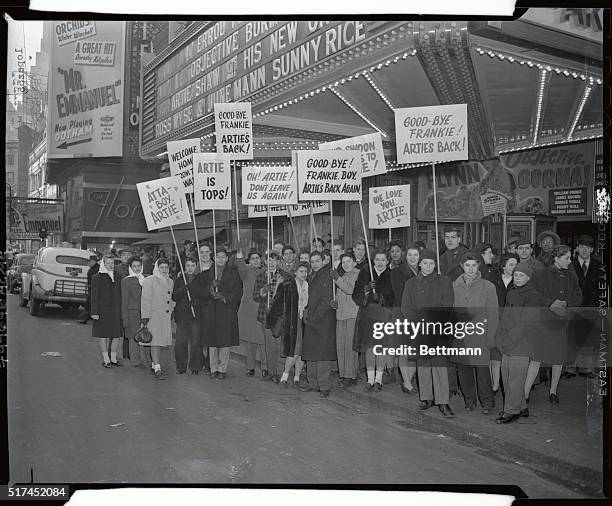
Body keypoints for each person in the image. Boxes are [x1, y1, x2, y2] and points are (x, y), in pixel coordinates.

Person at [401, 249, 455, 417]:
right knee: (423, 365)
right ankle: (426, 398)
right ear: (419, 264)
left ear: (435, 265)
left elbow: (448, 305)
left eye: (431, 263)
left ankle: (443, 401)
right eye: (425, 263)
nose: (428, 266)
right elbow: (406, 307)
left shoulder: (444, 282)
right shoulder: (411, 284)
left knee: (439, 365)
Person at [526, 245, 582, 403]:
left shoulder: (572, 276)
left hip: (563, 321)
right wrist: (550, 303)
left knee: (558, 357)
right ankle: (525, 393)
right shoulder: (540, 274)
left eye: (570, 258)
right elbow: (533, 295)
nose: (570, 261)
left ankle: (553, 391)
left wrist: (565, 304)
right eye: (567, 258)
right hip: (544, 321)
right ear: (556, 258)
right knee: (537, 357)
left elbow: (578, 296)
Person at [495, 263, 544, 424]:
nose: (518, 278)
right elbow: (505, 316)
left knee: (515, 378)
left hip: (522, 343)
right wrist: (500, 337)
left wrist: (510, 339)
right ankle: (521, 407)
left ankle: (511, 411)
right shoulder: (511, 293)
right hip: (508, 341)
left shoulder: (533, 296)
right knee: (507, 375)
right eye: (516, 275)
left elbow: (526, 322)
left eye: (521, 275)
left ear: (528, 277)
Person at [452, 251, 498, 415]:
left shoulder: (488, 286)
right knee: (464, 369)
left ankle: (487, 402)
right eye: (467, 265)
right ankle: (469, 400)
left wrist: (491, 335)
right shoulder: (454, 286)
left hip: (480, 334)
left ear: (479, 266)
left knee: (482, 370)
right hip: (461, 335)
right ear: (462, 266)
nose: (470, 269)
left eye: (473, 265)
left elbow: (493, 314)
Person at [353, 249, 394, 392]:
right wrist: (366, 291)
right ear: (373, 261)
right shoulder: (366, 273)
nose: (380, 263)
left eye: (383, 260)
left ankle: (379, 379)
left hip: (384, 314)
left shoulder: (391, 275)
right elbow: (356, 294)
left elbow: (394, 295)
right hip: (368, 314)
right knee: (370, 347)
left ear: (387, 261)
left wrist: (382, 296)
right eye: (377, 260)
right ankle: (370, 379)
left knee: (380, 347)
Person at [267, 262, 310, 388]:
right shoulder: (287, 286)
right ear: (295, 272)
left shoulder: (308, 286)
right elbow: (276, 303)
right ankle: (284, 377)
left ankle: (296, 378)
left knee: (302, 351)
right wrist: (272, 320)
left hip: (304, 322)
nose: (304, 274)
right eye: (301, 271)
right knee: (294, 350)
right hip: (292, 322)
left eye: (305, 272)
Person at [300, 251, 337, 397]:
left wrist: (315, 316)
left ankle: (324, 385)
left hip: (323, 320)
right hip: (312, 319)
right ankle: (312, 382)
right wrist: (307, 311)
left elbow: (327, 300)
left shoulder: (327, 275)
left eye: (317, 261)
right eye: (312, 261)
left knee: (322, 354)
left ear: (324, 261)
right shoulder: (312, 276)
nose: (314, 264)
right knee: (311, 352)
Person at [203, 250, 242, 379]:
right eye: (217, 257)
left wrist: (224, 297)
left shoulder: (233, 273)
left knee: (224, 342)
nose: (220, 259)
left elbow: (238, 292)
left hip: (226, 311)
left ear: (226, 258)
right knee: (212, 342)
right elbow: (200, 292)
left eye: (223, 257)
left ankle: (222, 369)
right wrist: (210, 287)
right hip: (211, 311)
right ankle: (213, 368)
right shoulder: (206, 273)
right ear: (213, 258)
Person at [253, 252, 292, 383]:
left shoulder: (285, 276)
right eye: (269, 260)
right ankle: (272, 372)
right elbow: (256, 297)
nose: (271, 263)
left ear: (278, 261)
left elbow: (287, 296)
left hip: (280, 316)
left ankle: (281, 372)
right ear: (265, 262)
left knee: (279, 345)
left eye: (274, 260)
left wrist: (277, 289)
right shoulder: (261, 276)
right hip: (266, 315)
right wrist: (263, 291)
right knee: (269, 345)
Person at [568, 234, 601, 378]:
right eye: (582, 247)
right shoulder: (570, 263)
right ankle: (569, 368)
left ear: (592, 250)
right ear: (577, 248)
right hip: (574, 305)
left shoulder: (598, 265)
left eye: (587, 248)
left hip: (591, 305)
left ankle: (585, 368)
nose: (584, 250)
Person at [390, 244, 420, 393]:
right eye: (410, 255)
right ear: (405, 256)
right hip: (402, 312)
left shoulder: (425, 271)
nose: (413, 258)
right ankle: (407, 383)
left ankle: (408, 379)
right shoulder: (397, 272)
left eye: (415, 255)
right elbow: (400, 293)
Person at [141, 258, 175, 379]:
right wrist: (145, 317)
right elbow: (145, 299)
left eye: (166, 267)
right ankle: (157, 367)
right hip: (153, 316)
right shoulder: (150, 280)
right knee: (154, 342)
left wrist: (171, 308)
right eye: (162, 267)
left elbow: (170, 298)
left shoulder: (170, 281)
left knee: (160, 343)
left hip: (165, 317)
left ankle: (154, 364)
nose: (164, 270)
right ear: (157, 267)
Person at [330, 252, 360, 387]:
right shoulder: (343, 275)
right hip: (341, 313)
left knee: (349, 346)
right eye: (343, 262)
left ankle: (350, 375)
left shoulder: (357, 274)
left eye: (348, 262)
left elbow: (350, 289)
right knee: (341, 345)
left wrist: (337, 278)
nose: (346, 264)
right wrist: (336, 302)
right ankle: (343, 373)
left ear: (354, 262)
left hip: (352, 314)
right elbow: (341, 292)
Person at [490, 253, 519, 391]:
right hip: (496, 321)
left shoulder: (519, 282)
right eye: (511, 264)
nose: (514, 267)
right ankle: (495, 384)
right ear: (503, 266)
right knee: (495, 355)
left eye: (516, 265)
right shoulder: (495, 282)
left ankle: (508, 386)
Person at [235, 249, 266, 377]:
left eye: (257, 258)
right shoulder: (246, 271)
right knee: (250, 341)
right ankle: (250, 367)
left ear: (261, 259)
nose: (255, 260)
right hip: (248, 310)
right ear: (249, 261)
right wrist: (239, 257)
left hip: (263, 309)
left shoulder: (266, 271)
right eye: (252, 258)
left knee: (263, 340)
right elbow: (240, 267)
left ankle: (265, 367)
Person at [91, 255, 123, 368]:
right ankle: (106, 360)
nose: (111, 265)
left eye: (112, 263)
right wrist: (94, 312)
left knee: (116, 336)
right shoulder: (97, 277)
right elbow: (94, 296)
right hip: (102, 311)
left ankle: (113, 359)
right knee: (103, 335)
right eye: (108, 263)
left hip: (116, 310)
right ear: (103, 264)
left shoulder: (119, 277)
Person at [172, 257, 202, 375]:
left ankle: (195, 366)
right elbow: (174, 296)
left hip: (196, 316)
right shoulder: (179, 280)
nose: (190, 268)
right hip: (182, 316)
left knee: (195, 343)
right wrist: (183, 289)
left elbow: (204, 294)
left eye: (192, 265)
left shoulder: (200, 279)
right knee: (180, 343)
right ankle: (181, 367)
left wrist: (196, 301)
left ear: (196, 267)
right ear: (184, 267)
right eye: (188, 265)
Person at [121, 256, 151, 368]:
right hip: (132, 313)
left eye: (139, 266)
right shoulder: (126, 281)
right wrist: (125, 317)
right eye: (134, 266)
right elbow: (124, 300)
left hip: (145, 312)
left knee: (145, 337)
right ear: (130, 267)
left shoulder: (147, 279)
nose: (137, 268)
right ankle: (135, 361)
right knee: (133, 338)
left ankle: (145, 360)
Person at [77, 255, 100, 324]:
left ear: (93, 261)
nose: (88, 263)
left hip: (94, 289)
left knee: (89, 304)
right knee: (90, 304)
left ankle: (83, 318)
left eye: (89, 261)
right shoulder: (95, 268)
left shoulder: (96, 269)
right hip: (93, 288)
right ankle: (85, 318)